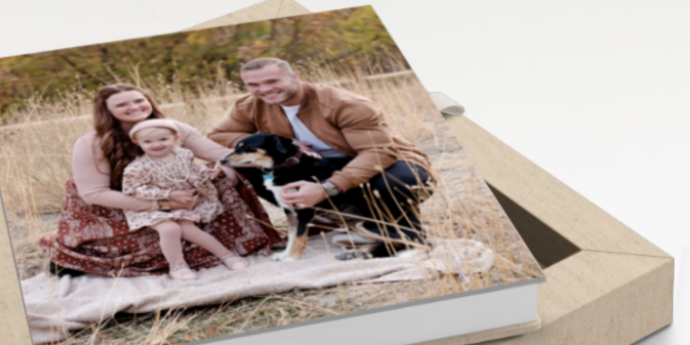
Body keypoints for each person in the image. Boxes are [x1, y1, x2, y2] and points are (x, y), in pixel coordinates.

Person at [39, 84, 282, 277]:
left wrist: (281, 157)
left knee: (228, 173)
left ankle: (228, 249)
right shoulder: (92, 142)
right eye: (122, 104)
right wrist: (163, 204)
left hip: (181, 197)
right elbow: (93, 193)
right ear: (107, 111)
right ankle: (163, 261)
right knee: (168, 229)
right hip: (124, 202)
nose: (134, 107)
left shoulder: (172, 128)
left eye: (138, 100)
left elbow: (220, 155)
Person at [209, 58, 435, 255]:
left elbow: (378, 153)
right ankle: (327, 218)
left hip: (368, 161)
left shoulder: (344, 104)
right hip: (310, 165)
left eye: (272, 81)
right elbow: (218, 135)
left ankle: (383, 225)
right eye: (253, 84)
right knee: (239, 166)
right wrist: (279, 140)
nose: (264, 89)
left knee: (398, 178)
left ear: (295, 77)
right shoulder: (249, 105)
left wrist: (326, 188)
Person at [123, 119, 250, 281]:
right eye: (148, 142)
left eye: (163, 139)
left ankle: (226, 255)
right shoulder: (137, 166)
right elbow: (135, 190)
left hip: (183, 203)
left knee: (188, 229)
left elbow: (192, 170)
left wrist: (205, 171)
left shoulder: (184, 155)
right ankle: (177, 266)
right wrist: (169, 194)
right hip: (152, 207)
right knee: (170, 229)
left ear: (176, 138)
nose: (156, 145)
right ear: (137, 143)